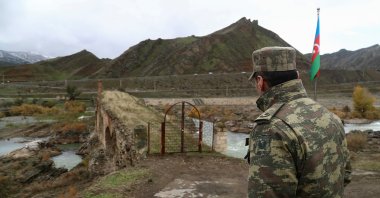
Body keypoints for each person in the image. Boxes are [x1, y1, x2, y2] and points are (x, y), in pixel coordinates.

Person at [247, 46, 351, 197]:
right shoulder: (330, 117)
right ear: (297, 76)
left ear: (260, 81)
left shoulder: (271, 128)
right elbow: (345, 174)